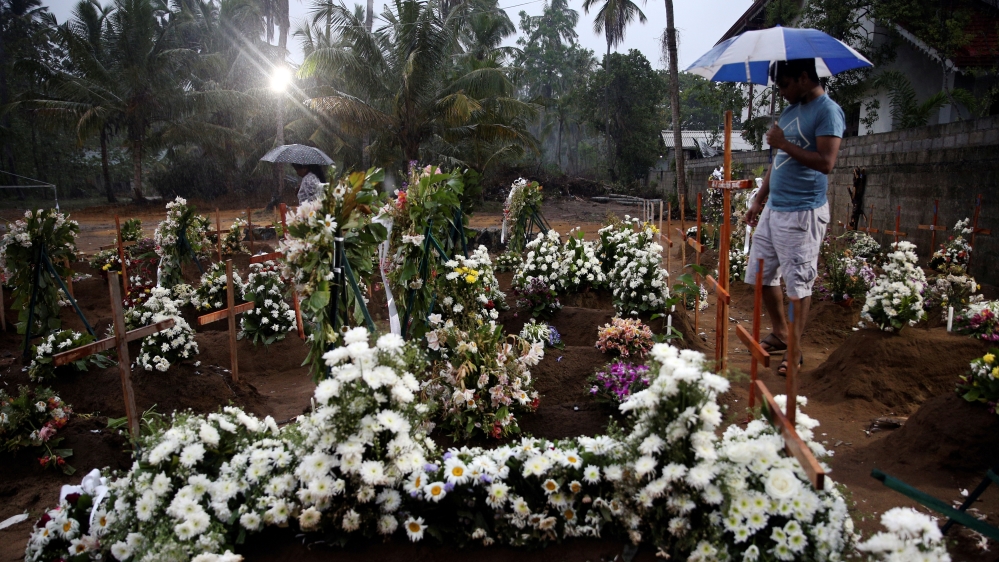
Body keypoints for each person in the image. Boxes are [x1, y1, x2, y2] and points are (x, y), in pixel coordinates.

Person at [744, 58, 846, 376]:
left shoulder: (828, 111)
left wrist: (784, 143)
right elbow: (778, 163)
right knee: (760, 276)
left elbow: (827, 163)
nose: (782, 92)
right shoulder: (789, 111)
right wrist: (759, 199)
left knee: (797, 287)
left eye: (785, 85)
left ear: (803, 78)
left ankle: (796, 351)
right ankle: (781, 332)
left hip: (802, 212)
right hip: (775, 208)